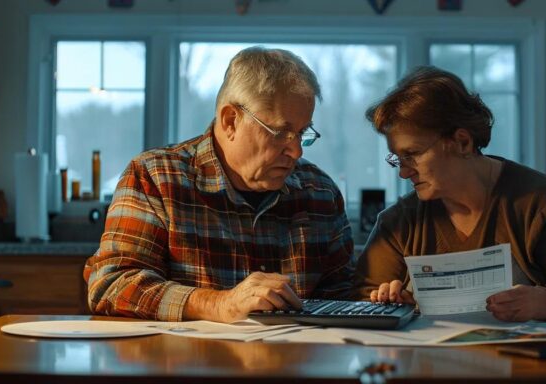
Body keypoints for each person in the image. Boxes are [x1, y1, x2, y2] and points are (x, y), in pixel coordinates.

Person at [84, 47, 354, 323]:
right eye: (281, 133)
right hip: (186, 362)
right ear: (230, 121)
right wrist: (218, 304)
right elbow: (111, 286)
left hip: (293, 362)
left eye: (300, 133)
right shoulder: (155, 177)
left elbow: (345, 295)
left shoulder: (320, 192)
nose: (296, 151)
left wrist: (382, 298)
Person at [354, 66, 546, 323]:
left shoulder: (540, 202)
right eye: (398, 158)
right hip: (427, 361)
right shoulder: (398, 223)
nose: (404, 173)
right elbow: (357, 302)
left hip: (521, 359)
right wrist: (391, 306)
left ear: (462, 142)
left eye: (413, 155)